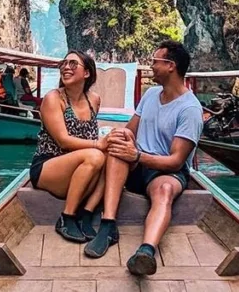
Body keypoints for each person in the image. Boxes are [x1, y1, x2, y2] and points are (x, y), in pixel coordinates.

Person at [83, 40, 202, 277]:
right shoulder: (150, 95)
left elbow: (176, 161)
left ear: (170, 66)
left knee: (165, 190)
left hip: (165, 171)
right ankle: (108, 226)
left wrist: (137, 155)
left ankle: (146, 251)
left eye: (155, 62)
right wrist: (122, 136)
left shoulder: (189, 109)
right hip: (137, 164)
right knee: (118, 147)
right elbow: (131, 129)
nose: (151, 67)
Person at [29, 51, 108, 243]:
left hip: (80, 167)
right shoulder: (53, 99)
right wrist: (98, 145)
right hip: (49, 165)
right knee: (96, 156)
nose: (66, 67)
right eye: (64, 64)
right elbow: (63, 141)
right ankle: (68, 217)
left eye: (73, 64)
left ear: (87, 73)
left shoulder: (94, 100)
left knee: (113, 155)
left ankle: (86, 214)